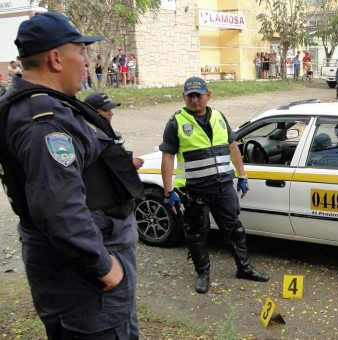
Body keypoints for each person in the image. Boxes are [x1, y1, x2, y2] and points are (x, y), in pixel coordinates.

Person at [0, 12, 142, 338]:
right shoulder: (45, 121)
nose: (86, 61)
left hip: (69, 266)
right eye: (80, 51)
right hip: (83, 277)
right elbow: (58, 206)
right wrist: (104, 267)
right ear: (56, 59)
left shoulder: (40, 106)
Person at [160, 77, 270, 294]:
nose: (194, 100)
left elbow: (233, 147)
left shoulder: (219, 117)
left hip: (223, 187)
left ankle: (244, 268)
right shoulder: (176, 123)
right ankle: (203, 274)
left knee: (235, 229)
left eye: (198, 95)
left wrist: (242, 176)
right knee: (197, 234)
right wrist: (168, 191)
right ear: (183, 97)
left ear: (208, 95)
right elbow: (167, 157)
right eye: (189, 96)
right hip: (194, 190)